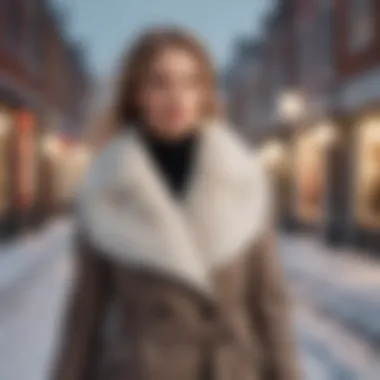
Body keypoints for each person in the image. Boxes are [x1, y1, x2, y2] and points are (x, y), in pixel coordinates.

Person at [51, 27, 299, 380]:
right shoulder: (106, 189)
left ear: (204, 93)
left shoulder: (242, 182)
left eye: (190, 82)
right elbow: (84, 315)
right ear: (137, 93)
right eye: (159, 82)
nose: (176, 97)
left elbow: (270, 307)